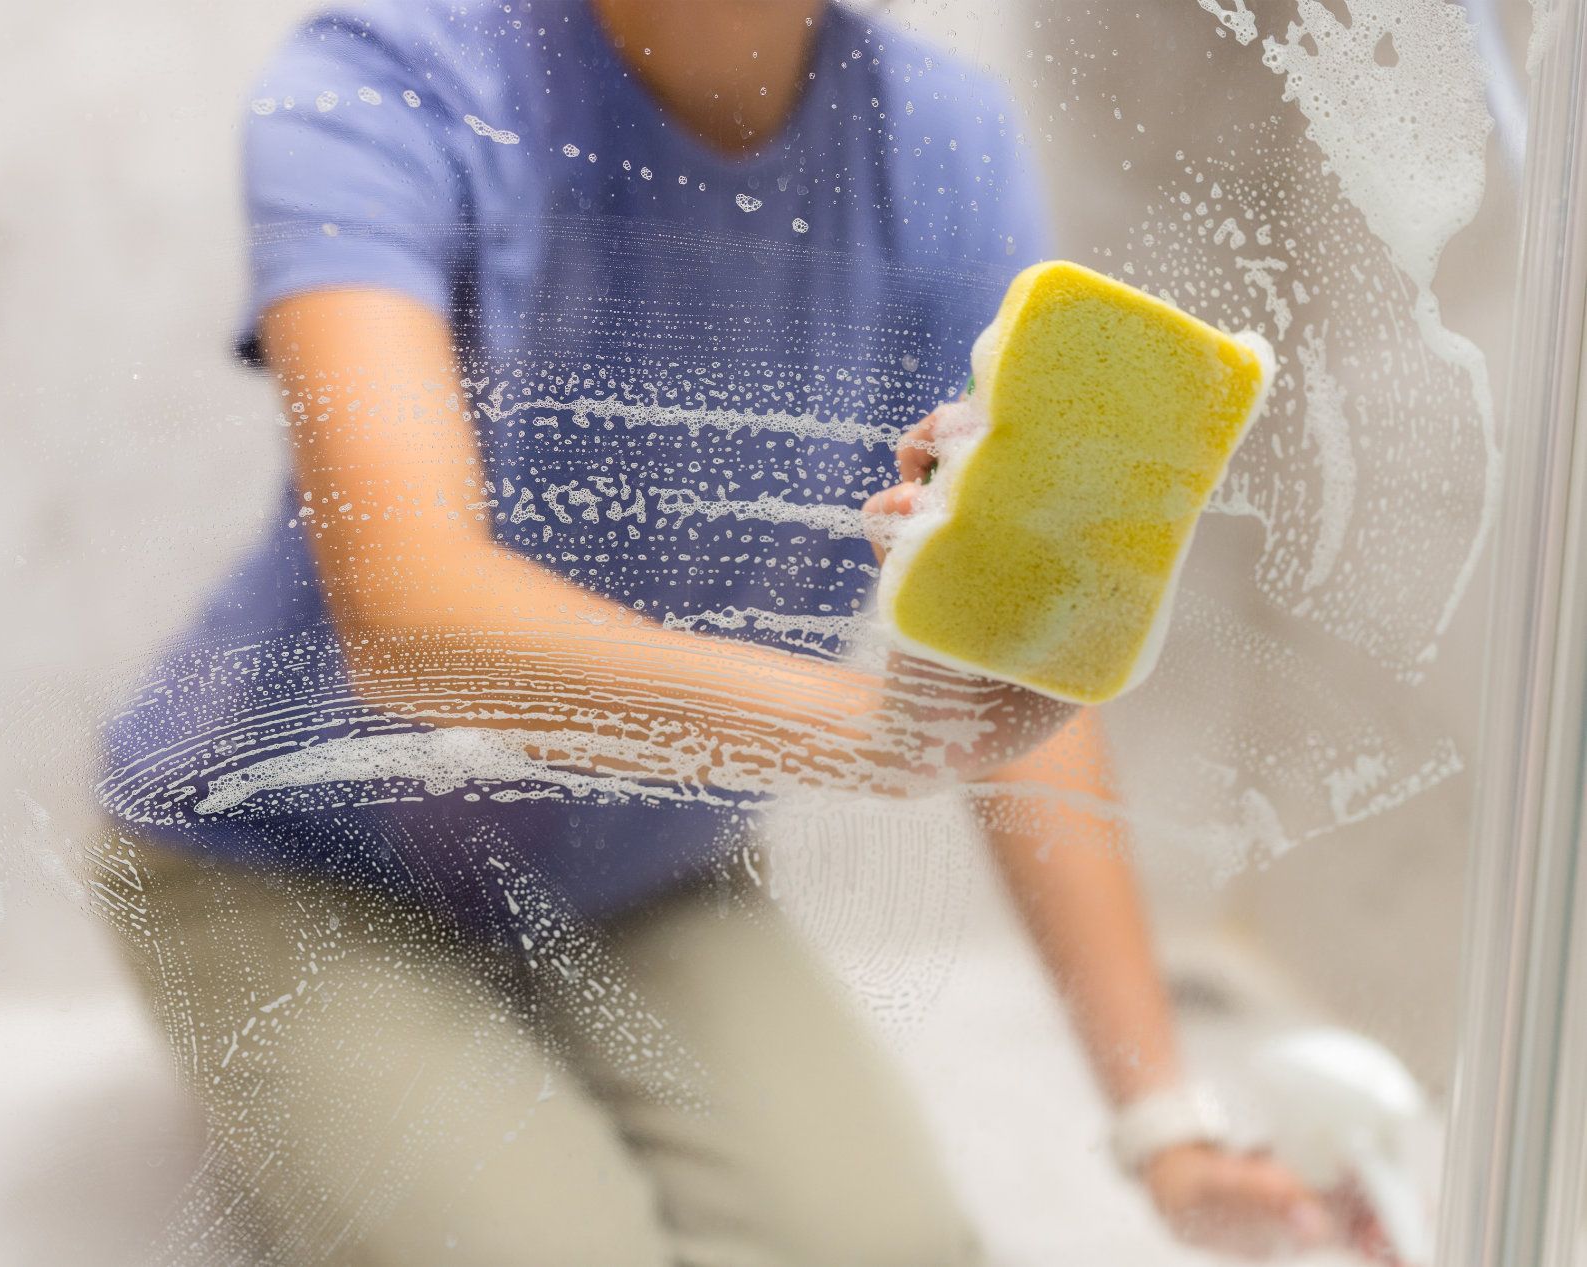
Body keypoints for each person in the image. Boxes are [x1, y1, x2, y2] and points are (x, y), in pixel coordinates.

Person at [94, 1, 1394, 1262]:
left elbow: (1026, 659)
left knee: (883, 1251)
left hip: (639, 862)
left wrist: (1163, 1129)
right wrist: (879, 734)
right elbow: (412, 619)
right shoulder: (384, 79)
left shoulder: (947, 142)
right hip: (294, 858)